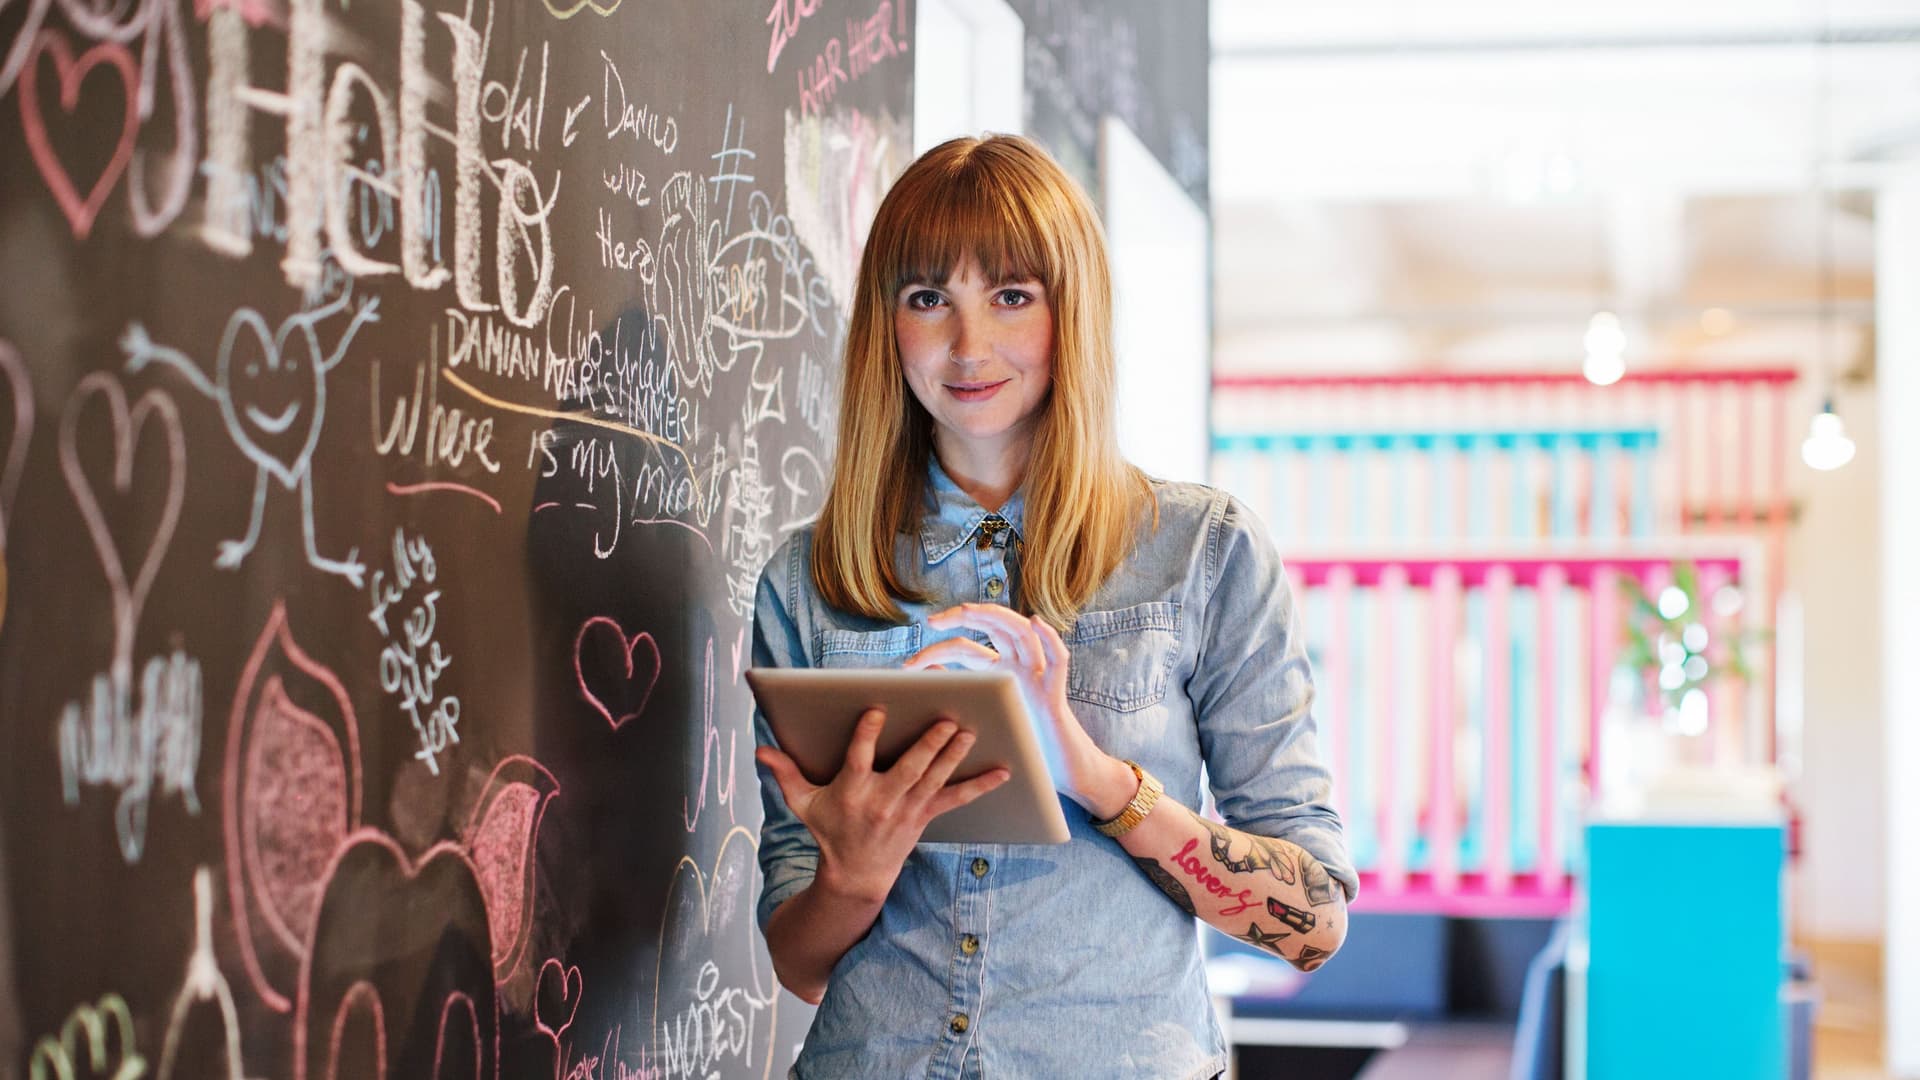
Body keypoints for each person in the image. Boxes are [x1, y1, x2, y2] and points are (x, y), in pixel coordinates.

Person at [751, 134, 1356, 1078]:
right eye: (926, 300)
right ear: (887, 325)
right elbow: (800, 962)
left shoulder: (1204, 552)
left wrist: (1092, 774)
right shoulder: (809, 578)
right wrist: (855, 871)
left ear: (1069, 311)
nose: (967, 345)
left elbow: (1313, 924)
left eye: (1011, 296)